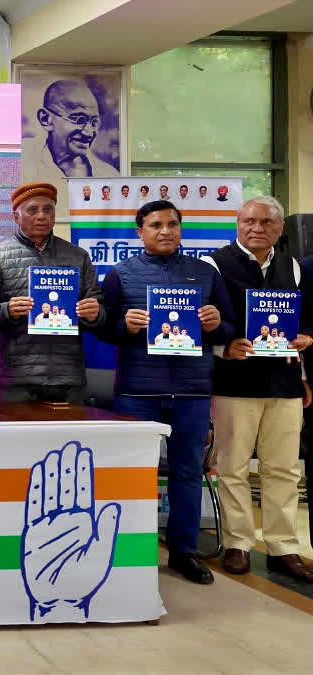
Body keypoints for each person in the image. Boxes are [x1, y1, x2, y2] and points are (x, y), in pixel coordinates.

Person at [98, 199, 235, 585]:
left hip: (192, 391)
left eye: (172, 224)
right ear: (140, 231)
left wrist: (215, 324)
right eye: (156, 224)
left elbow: (229, 328)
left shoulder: (204, 274)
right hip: (137, 392)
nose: (166, 231)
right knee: (131, 475)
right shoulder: (120, 274)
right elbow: (103, 330)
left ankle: (183, 553)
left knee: (188, 473)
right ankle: (130, 552)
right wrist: (124, 325)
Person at [197, 196, 313, 581]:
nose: (256, 228)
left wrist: (305, 349)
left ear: (280, 229)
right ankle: (238, 544)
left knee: (283, 468)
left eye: (266, 222)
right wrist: (221, 345)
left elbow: (305, 319)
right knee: (232, 467)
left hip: (283, 383)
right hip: (234, 382)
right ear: (237, 223)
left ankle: (283, 547)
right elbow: (202, 321)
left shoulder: (292, 266)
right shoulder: (214, 264)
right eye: (249, 221)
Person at [0, 182, 105, 404]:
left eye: (48, 209)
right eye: (32, 210)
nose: (41, 216)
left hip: (67, 377)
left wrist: (94, 314)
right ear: (16, 216)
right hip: (14, 379)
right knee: (14, 439)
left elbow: (99, 313)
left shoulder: (78, 256)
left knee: (70, 440)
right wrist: (6, 311)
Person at [24, 80, 117, 179]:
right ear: (46, 119)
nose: (89, 133)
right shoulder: (22, 157)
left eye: (94, 122)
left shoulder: (108, 174)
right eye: (79, 120)